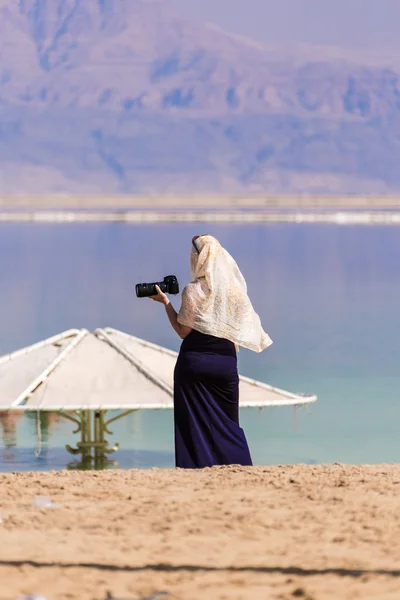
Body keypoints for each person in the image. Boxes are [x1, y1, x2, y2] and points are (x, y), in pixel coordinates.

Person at [149, 234, 272, 469]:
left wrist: (166, 303)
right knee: (228, 423)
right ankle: (239, 468)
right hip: (225, 365)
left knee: (192, 422)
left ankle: (196, 469)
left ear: (199, 259)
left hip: (193, 363)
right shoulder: (235, 293)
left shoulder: (192, 291)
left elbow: (183, 331)